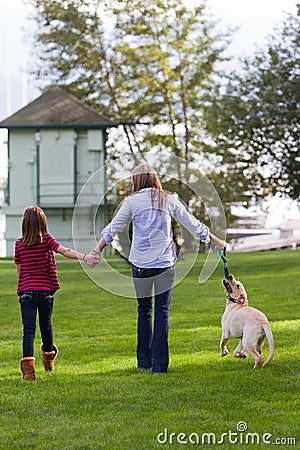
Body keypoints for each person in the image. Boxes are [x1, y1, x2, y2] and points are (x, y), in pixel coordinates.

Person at [88, 164, 226, 374]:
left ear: (137, 181)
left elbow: (113, 229)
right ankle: (159, 366)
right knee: (161, 313)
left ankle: (144, 364)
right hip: (164, 265)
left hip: (141, 266)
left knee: (144, 311)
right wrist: (215, 240)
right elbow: (192, 224)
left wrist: (97, 250)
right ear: (154, 179)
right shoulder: (169, 200)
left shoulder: (131, 202)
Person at [14, 206, 99, 381]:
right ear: (43, 223)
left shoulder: (19, 244)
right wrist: (85, 257)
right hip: (45, 292)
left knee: (28, 331)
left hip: (27, 292)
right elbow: (64, 251)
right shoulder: (46, 240)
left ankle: (29, 374)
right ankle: (49, 362)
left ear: (25, 223)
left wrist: (23, 288)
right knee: (46, 325)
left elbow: (19, 271)